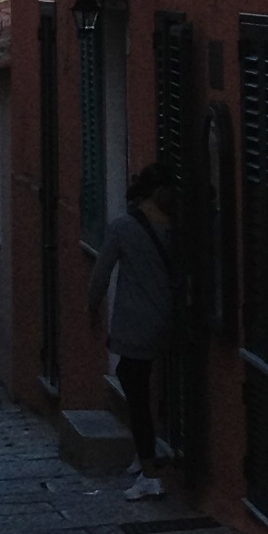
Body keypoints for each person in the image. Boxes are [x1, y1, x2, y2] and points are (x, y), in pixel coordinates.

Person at [86, 163, 176, 500]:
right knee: (151, 383)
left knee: (133, 387)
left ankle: (149, 472)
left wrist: (91, 307)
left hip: (136, 322)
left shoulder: (123, 227)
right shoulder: (173, 228)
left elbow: (101, 273)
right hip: (170, 319)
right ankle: (147, 451)